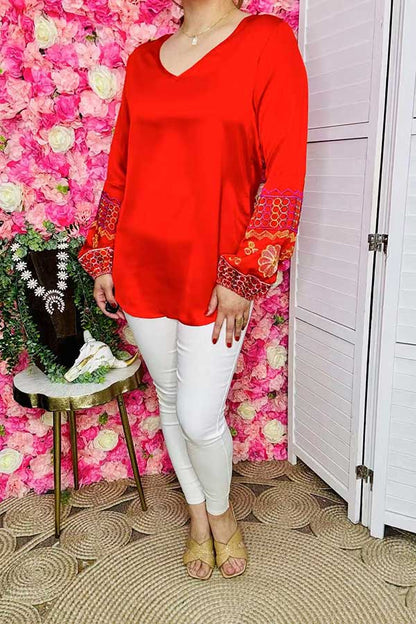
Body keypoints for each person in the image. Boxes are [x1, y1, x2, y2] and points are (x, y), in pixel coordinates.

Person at [78, 0, 308, 580]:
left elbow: (285, 167)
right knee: (170, 398)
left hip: (217, 271)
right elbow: (121, 167)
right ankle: (199, 517)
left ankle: (223, 516)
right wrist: (104, 253)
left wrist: (246, 271)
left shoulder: (267, 40)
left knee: (200, 415)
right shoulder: (143, 61)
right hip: (141, 262)